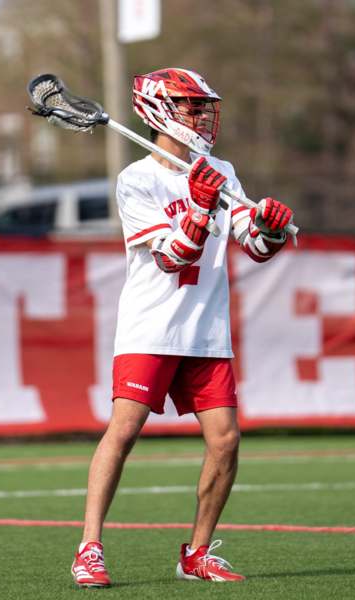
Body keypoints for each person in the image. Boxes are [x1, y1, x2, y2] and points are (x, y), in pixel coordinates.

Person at [71, 67, 295, 588]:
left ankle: (196, 552)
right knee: (123, 431)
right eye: (188, 107)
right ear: (157, 111)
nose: (199, 116)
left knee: (227, 441)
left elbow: (255, 247)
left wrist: (271, 228)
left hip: (206, 330)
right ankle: (89, 546)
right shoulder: (137, 179)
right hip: (150, 328)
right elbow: (172, 257)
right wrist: (196, 206)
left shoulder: (222, 170)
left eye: (201, 107)